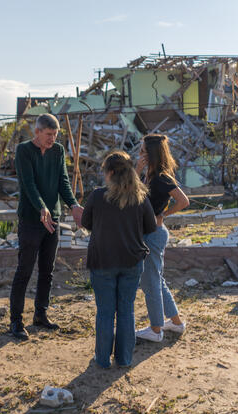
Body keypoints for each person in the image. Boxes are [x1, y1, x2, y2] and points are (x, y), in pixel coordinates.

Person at [9, 113, 84, 340]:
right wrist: (41, 207)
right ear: (37, 132)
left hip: (53, 218)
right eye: (49, 135)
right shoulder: (24, 150)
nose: (52, 139)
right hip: (32, 219)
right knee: (24, 270)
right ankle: (16, 321)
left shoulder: (58, 151)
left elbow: (62, 180)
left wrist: (72, 204)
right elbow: (28, 183)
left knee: (47, 271)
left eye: (56, 135)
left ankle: (41, 314)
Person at [81, 150, 157, 368]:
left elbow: (86, 223)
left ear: (111, 172)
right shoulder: (140, 197)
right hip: (132, 261)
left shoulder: (97, 196)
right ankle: (124, 359)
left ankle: (102, 359)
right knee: (126, 310)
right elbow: (151, 227)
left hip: (102, 261)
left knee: (105, 312)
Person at [134, 134, 190, 343]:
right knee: (158, 280)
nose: (140, 152)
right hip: (149, 233)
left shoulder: (162, 177)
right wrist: (138, 170)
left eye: (143, 149)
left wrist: (162, 215)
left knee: (150, 284)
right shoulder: (147, 175)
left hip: (153, 234)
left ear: (152, 152)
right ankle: (175, 323)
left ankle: (156, 330)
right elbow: (131, 192)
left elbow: (183, 201)